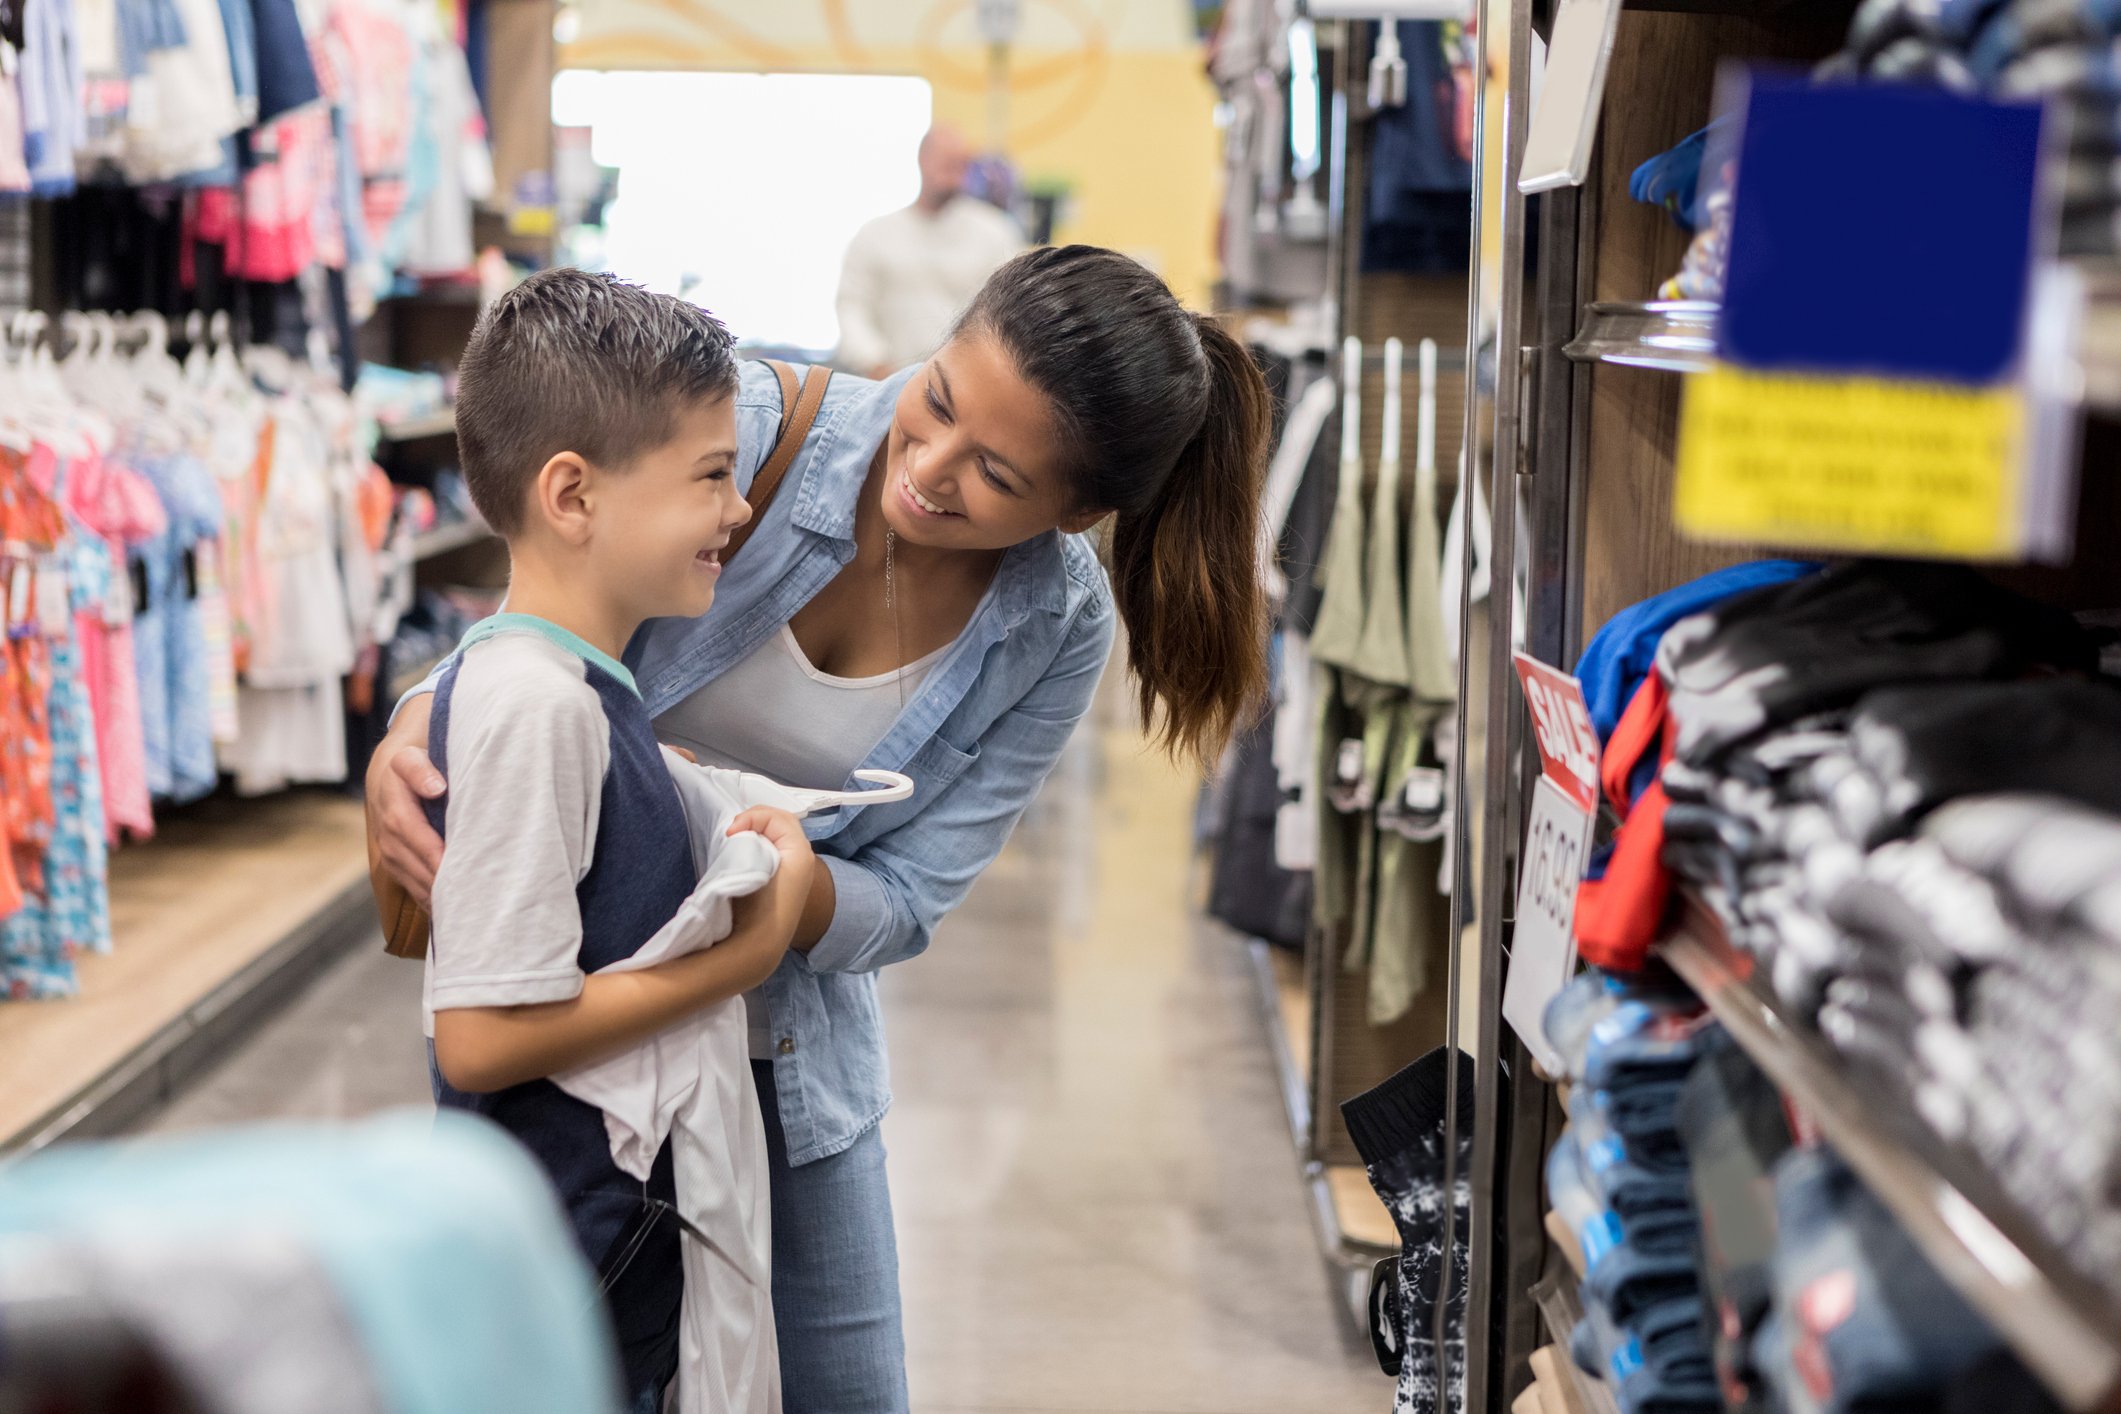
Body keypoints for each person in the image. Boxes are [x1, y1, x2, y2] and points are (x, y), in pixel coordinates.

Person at [370, 245, 1273, 1414]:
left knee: (842, 1386)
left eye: (995, 474)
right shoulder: (738, 427)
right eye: (935, 398)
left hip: (788, 1054)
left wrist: (785, 898)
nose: (930, 470)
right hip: (576, 1035)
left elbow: (908, 900)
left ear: (1082, 511)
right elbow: (533, 616)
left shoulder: (1053, 625)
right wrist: (409, 729)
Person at [416, 268, 815, 1412]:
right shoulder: (537, 704)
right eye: (711, 476)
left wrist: (674, 792)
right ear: (573, 496)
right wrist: (738, 959)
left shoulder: (582, 689)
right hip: (570, 1264)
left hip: (601, 1247)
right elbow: (482, 1036)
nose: (739, 510)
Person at [833, 123, 1026, 379]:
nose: (953, 174)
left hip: (967, 385)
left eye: (960, 164)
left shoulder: (996, 234)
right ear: (922, 160)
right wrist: (875, 364)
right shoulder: (875, 235)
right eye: (945, 162)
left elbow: (1011, 313)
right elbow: (852, 306)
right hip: (887, 381)